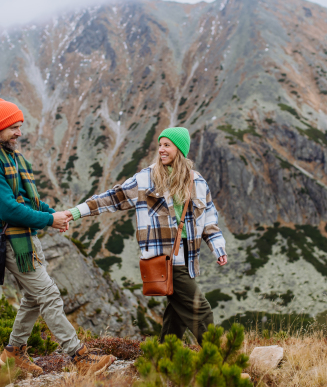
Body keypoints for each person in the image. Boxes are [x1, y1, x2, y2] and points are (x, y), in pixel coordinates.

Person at [0, 97, 115, 375]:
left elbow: (27, 200)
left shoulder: (10, 157)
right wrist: (49, 220)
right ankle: (80, 358)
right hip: (9, 240)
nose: (19, 133)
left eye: (20, 126)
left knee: (34, 297)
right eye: (14, 127)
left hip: (24, 238)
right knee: (48, 295)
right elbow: (8, 209)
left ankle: (14, 353)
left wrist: (54, 214)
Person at [65, 127, 228, 345]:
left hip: (189, 261)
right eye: (160, 145)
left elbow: (209, 219)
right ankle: (220, 361)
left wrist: (218, 248)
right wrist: (75, 212)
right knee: (201, 310)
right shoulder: (146, 179)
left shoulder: (197, 182)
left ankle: (162, 358)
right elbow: (112, 198)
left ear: (179, 150)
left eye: (167, 145)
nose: (161, 149)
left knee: (176, 314)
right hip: (165, 260)